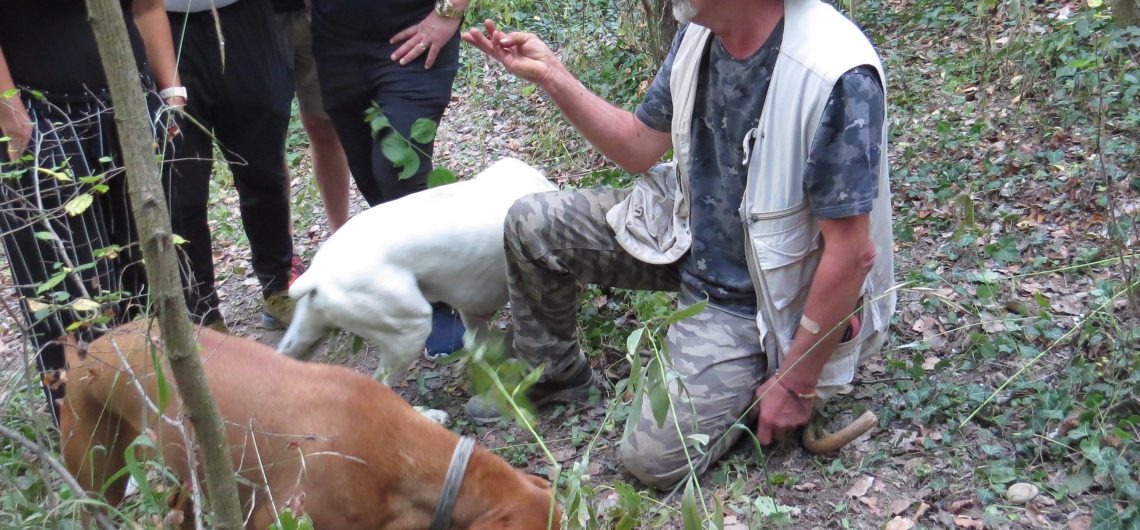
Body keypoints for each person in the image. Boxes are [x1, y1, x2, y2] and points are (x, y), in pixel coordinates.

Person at [461, 0, 896, 489]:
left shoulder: (833, 71)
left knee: (650, 458)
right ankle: (554, 374)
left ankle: (744, 379)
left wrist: (797, 382)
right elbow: (637, 145)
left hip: (757, 295)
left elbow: (851, 253)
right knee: (532, 222)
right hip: (685, 229)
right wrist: (552, 75)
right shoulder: (700, 31)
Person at [0, 0, 182, 421]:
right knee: (69, 286)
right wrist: (13, 118)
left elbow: (147, 6)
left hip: (130, 103)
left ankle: (155, 406)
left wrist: (170, 90)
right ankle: (87, 425)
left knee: (144, 263)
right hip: (40, 120)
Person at [309, 0, 470, 355]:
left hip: (415, 34)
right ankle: (405, 284)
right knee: (370, 175)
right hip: (336, 43)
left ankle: (439, 300)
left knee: (398, 170)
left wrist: (448, 12)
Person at [164, 0, 301, 330]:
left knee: (263, 168)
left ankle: (278, 287)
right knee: (183, 189)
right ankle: (204, 316)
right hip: (162, 28)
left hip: (246, 19)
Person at [271, 0, 352, 232]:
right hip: (255, 19)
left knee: (325, 125)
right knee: (266, 139)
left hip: (317, 14)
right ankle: (283, 253)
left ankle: (340, 234)